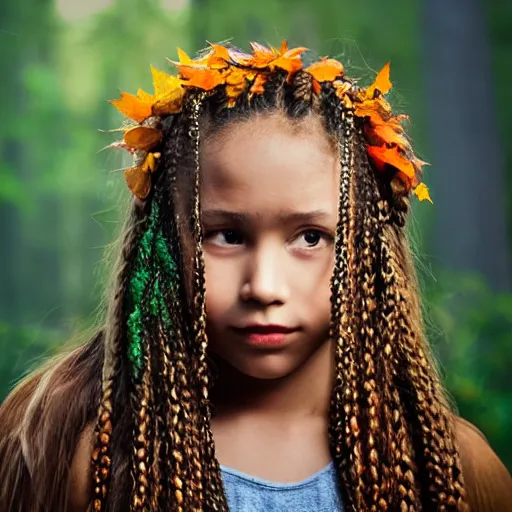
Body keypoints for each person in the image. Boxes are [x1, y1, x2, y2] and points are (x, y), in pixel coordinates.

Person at [0, 41, 511, 512]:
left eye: (310, 237)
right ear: (163, 242)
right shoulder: (70, 450)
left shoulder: (451, 468)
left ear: (370, 251)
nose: (264, 287)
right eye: (226, 235)